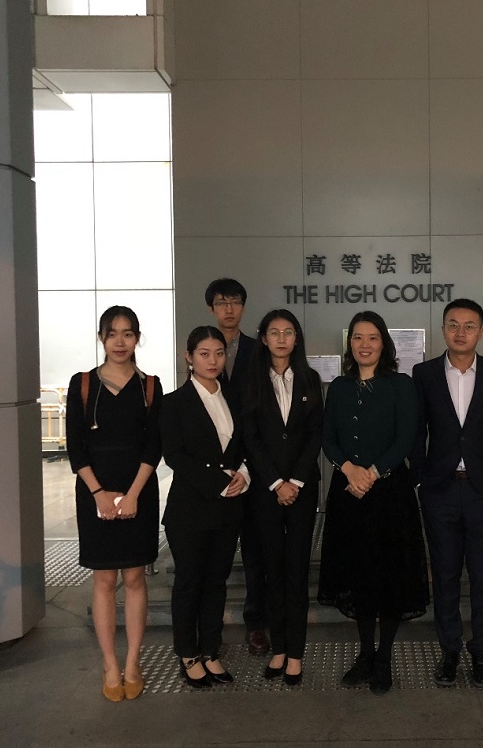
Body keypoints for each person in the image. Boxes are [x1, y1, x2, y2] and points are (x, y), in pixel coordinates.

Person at [318, 310, 428, 695]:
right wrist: (350, 470)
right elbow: (327, 438)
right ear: (350, 344)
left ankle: (384, 657)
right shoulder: (339, 387)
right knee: (358, 574)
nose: (365, 345)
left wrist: (373, 473)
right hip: (349, 494)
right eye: (358, 338)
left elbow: (406, 437)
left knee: (390, 576)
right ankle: (365, 652)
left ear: (385, 344)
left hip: (390, 494)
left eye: (373, 337)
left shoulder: (401, 384)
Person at [410, 298, 483, 689]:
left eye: (469, 326)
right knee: (445, 573)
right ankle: (450, 651)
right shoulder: (423, 374)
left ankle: (482, 653)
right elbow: (416, 431)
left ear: (481, 332)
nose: (460, 332)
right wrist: (419, 479)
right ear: (443, 330)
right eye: (453, 324)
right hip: (439, 490)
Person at [66, 306, 162, 702]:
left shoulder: (150, 386)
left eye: (128, 333)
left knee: (135, 578)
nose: (120, 342)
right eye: (112, 333)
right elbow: (75, 446)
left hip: (140, 490)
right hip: (95, 491)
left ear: (137, 337)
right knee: (104, 579)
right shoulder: (83, 383)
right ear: (101, 338)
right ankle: (110, 663)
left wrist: (134, 494)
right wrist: (98, 493)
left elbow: (154, 446)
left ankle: (133, 661)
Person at [159, 325, 251, 688]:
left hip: (228, 509)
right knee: (189, 582)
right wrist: (219, 483)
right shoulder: (174, 402)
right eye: (204, 353)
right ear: (189, 357)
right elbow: (174, 455)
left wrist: (244, 474)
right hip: (190, 509)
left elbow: (244, 445)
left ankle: (211, 650)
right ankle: (188, 653)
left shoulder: (234, 397)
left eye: (218, 353)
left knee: (216, 581)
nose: (212, 360)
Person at [242, 309, 323, 687]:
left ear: (296, 338)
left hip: (302, 490)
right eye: (274, 332)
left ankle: (295, 654)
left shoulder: (310, 378)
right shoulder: (251, 381)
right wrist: (276, 482)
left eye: (288, 332)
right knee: (272, 570)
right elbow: (250, 438)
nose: (281, 338)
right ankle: (278, 648)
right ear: (263, 338)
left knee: (297, 571)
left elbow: (315, 434)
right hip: (265, 491)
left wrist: (295, 481)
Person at [205, 277, 269, 656]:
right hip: (214, 469)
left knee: (256, 552)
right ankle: (209, 630)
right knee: (215, 554)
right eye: (221, 302)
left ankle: (256, 624)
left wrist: (249, 464)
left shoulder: (258, 351)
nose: (229, 309)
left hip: (253, 465)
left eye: (235, 302)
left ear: (243, 307)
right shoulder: (203, 348)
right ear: (211, 308)